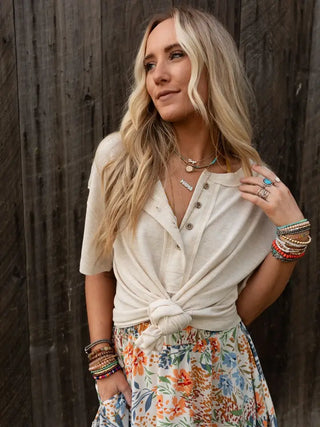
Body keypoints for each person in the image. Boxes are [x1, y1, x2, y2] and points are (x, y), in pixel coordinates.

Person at [79, 7, 311, 426]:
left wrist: (292, 233)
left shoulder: (250, 182)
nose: (158, 75)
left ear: (211, 65)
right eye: (150, 64)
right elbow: (96, 268)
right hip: (139, 379)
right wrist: (103, 364)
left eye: (175, 56)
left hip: (221, 385)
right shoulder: (118, 160)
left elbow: (236, 313)